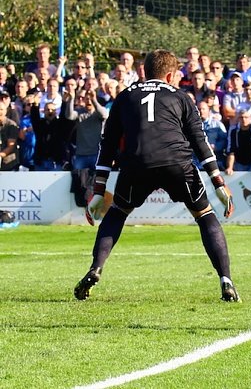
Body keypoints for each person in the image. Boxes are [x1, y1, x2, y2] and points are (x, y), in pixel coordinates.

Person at [74, 49, 239, 303]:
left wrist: (98, 190)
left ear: (144, 72)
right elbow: (200, 141)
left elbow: (106, 145)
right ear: (171, 75)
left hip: (136, 165)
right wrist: (218, 182)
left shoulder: (125, 96)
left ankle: (96, 268)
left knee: (117, 212)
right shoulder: (182, 97)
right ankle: (226, 280)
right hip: (177, 164)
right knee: (204, 214)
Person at [225, 110, 251, 174]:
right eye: (241, 117)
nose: (243, 119)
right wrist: (230, 167)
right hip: (239, 163)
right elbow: (231, 150)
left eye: (246, 117)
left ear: (250, 118)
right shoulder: (233, 131)